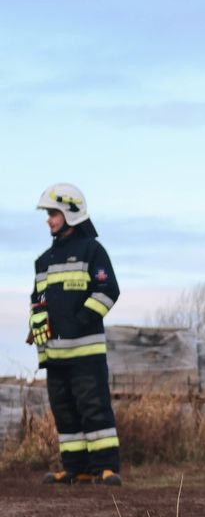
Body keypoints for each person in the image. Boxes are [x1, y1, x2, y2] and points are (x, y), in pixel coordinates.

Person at [29, 183, 122, 485]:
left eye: (53, 213)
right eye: (48, 214)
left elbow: (108, 291)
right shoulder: (43, 260)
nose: (49, 220)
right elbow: (38, 301)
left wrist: (78, 321)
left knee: (94, 408)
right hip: (54, 355)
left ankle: (106, 468)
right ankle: (75, 468)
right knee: (65, 414)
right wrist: (36, 328)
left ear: (71, 212)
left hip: (86, 354)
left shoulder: (92, 250)